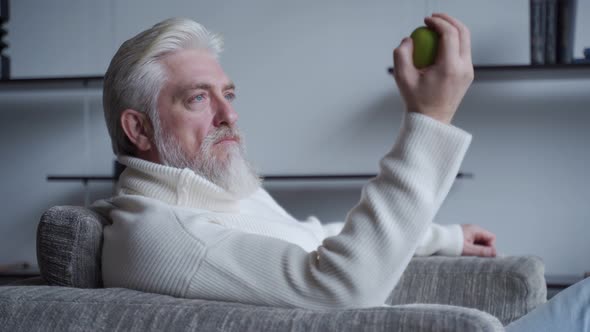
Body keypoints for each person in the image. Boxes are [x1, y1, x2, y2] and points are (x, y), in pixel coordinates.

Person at [94, 13, 494, 310]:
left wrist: (445, 237)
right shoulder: (160, 234)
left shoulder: (211, 194)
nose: (228, 115)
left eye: (227, 95)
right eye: (198, 98)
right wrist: (430, 119)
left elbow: (311, 235)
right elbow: (341, 288)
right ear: (139, 129)